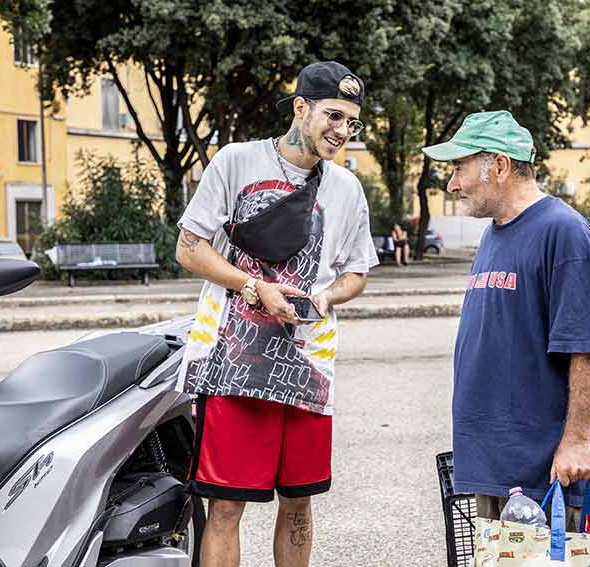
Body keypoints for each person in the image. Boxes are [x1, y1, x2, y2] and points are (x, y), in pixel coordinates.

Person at [174, 61, 378, 567]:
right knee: (225, 504)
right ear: (301, 107)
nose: (342, 130)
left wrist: (328, 298)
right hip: (232, 366)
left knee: (300, 501)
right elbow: (188, 248)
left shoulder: (346, 189)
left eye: (351, 121)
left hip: (308, 370)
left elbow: (356, 272)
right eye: (333, 115)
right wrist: (253, 286)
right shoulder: (236, 162)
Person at [422, 111, 590, 530]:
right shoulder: (494, 233)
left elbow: (588, 349)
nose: (452, 183)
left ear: (501, 166)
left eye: (460, 168)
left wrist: (578, 442)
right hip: (497, 466)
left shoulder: (564, 233)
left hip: (544, 473)